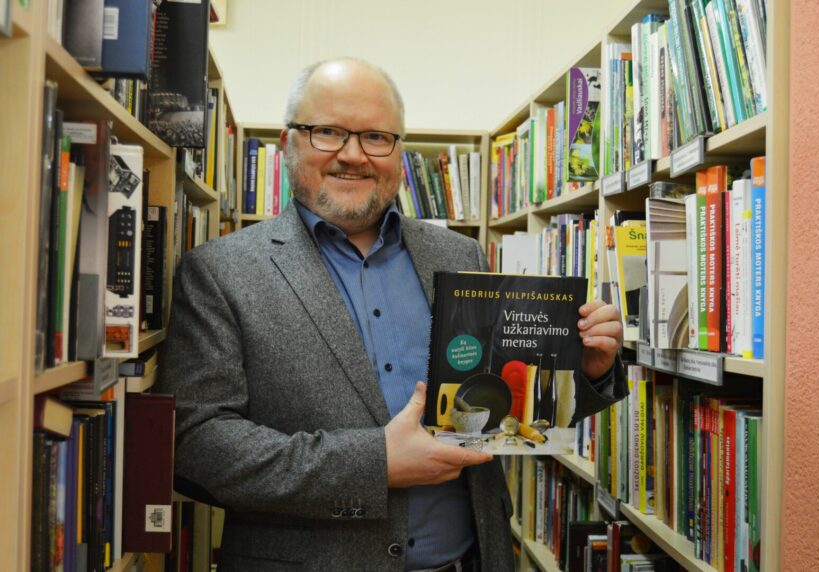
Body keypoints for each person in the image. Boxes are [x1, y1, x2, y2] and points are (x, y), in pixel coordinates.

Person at [159, 57, 627, 572]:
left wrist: (584, 371)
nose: (353, 155)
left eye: (376, 137)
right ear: (288, 142)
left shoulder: (459, 255)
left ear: (399, 153)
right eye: (327, 131)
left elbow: (506, 409)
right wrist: (376, 463)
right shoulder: (219, 271)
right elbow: (195, 443)